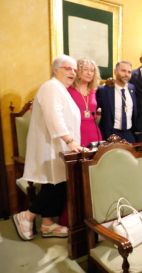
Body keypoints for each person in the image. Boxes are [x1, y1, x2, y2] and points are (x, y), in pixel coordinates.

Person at [13, 54, 85, 241]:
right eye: (67, 68)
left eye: (75, 69)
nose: (73, 72)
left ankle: (47, 224)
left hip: (60, 146)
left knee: (59, 184)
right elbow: (54, 117)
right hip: (50, 146)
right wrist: (70, 141)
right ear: (55, 70)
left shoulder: (61, 89)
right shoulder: (51, 86)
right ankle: (26, 216)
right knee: (55, 185)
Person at [96, 61, 137, 143]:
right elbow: (93, 109)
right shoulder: (104, 90)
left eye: (129, 72)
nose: (126, 74)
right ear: (115, 72)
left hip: (129, 133)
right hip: (110, 134)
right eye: (123, 71)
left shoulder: (132, 88)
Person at [68, 58, 102, 147]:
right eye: (85, 69)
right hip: (76, 130)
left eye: (92, 70)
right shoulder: (68, 89)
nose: (89, 73)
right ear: (77, 71)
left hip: (93, 130)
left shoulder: (93, 90)